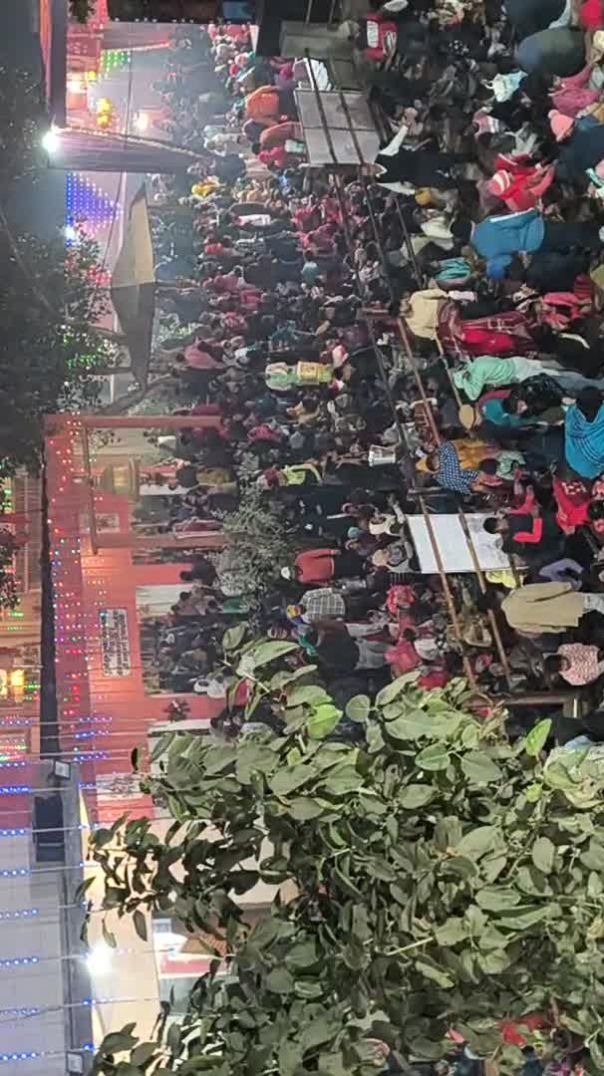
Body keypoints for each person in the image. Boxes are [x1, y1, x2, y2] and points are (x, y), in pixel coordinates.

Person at [452, 209, 604, 280]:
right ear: (469, 222)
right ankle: (599, 240)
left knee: (569, 244)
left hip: (534, 248)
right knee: (575, 232)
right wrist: (533, 212)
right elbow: (515, 219)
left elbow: (506, 260)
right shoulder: (488, 223)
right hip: (538, 229)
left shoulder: (482, 251)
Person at [501, 581, 604, 633]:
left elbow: (537, 628)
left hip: (561, 619)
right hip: (564, 601)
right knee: (597, 601)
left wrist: (559, 628)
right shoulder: (516, 596)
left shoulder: (513, 622)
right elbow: (543, 590)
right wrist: (566, 586)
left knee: (598, 599)